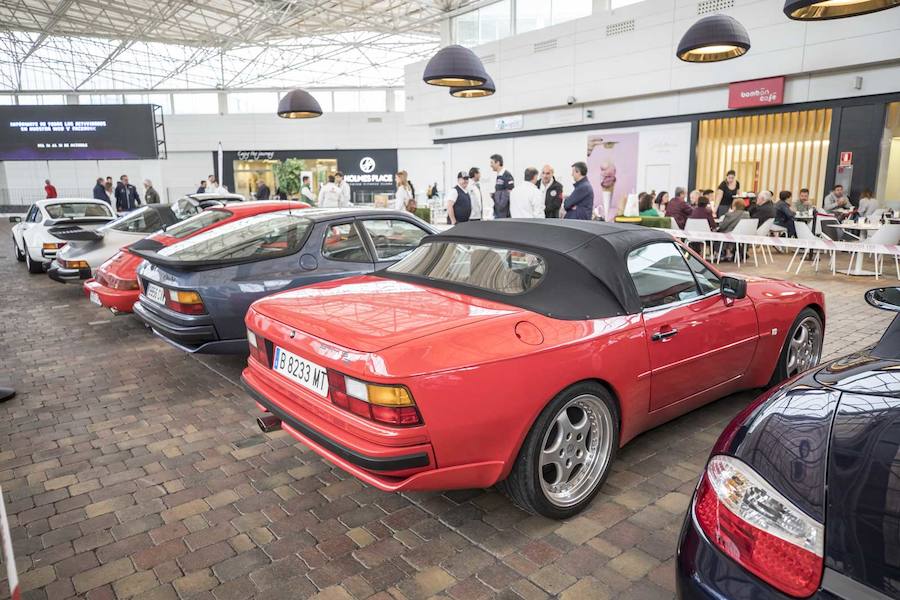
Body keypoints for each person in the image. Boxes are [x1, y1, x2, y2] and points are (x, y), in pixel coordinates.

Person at [490, 154, 514, 218]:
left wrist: (500, 205)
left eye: (492, 163)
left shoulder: (507, 175)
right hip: (498, 212)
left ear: (497, 163)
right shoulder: (499, 175)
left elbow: (509, 193)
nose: (490, 165)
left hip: (504, 214)